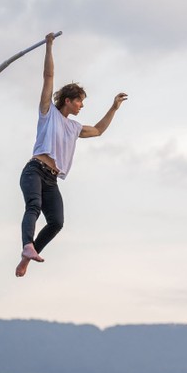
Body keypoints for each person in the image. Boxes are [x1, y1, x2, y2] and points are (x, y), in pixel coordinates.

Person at [16, 32, 127, 277]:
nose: (82, 106)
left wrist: (114, 108)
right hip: (35, 170)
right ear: (68, 100)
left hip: (51, 179)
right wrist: (49, 46)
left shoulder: (74, 128)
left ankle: (28, 256)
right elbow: (48, 76)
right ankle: (27, 246)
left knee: (57, 222)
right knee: (34, 206)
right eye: (79, 101)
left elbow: (98, 130)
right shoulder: (48, 113)